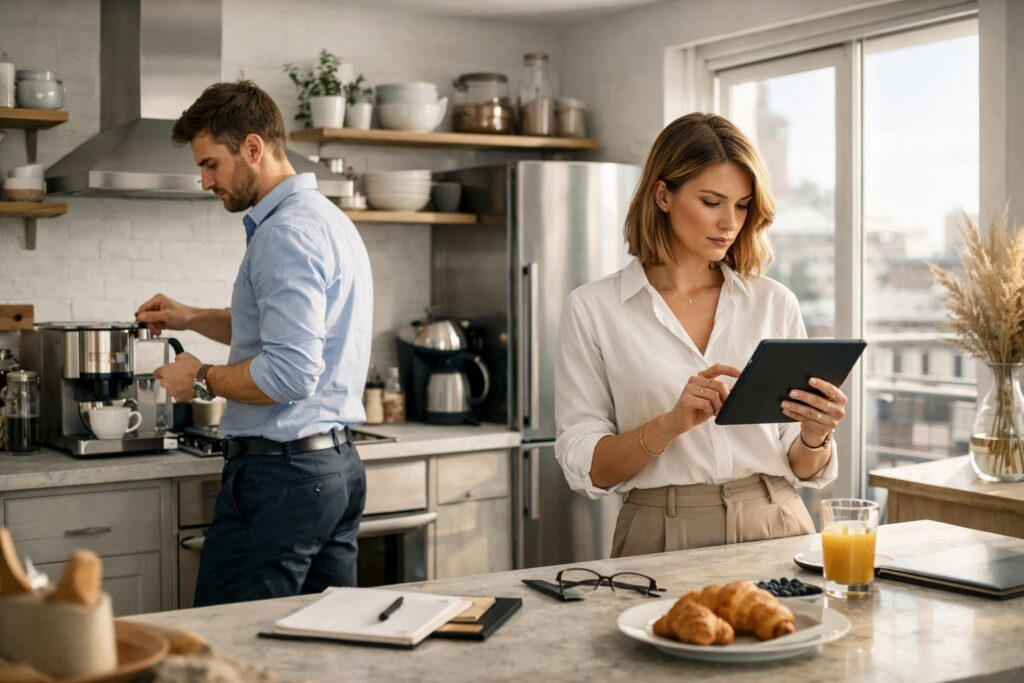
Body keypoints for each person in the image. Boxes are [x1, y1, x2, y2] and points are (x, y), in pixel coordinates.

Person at [554, 113, 847, 557]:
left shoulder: (773, 302)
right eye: (712, 202)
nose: (730, 222)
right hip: (659, 535)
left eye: (743, 205)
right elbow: (586, 467)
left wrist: (814, 435)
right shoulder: (593, 309)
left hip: (777, 525)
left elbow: (802, 465)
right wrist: (667, 426)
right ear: (663, 195)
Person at [136, 81, 373, 605]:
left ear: (252, 147)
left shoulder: (285, 233)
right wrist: (191, 317)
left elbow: (289, 375)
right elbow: (284, 333)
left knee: (229, 646)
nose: (203, 181)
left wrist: (197, 378)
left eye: (211, 164)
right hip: (333, 472)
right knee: (323, 644)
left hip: (281, 479)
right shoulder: (328, 219)